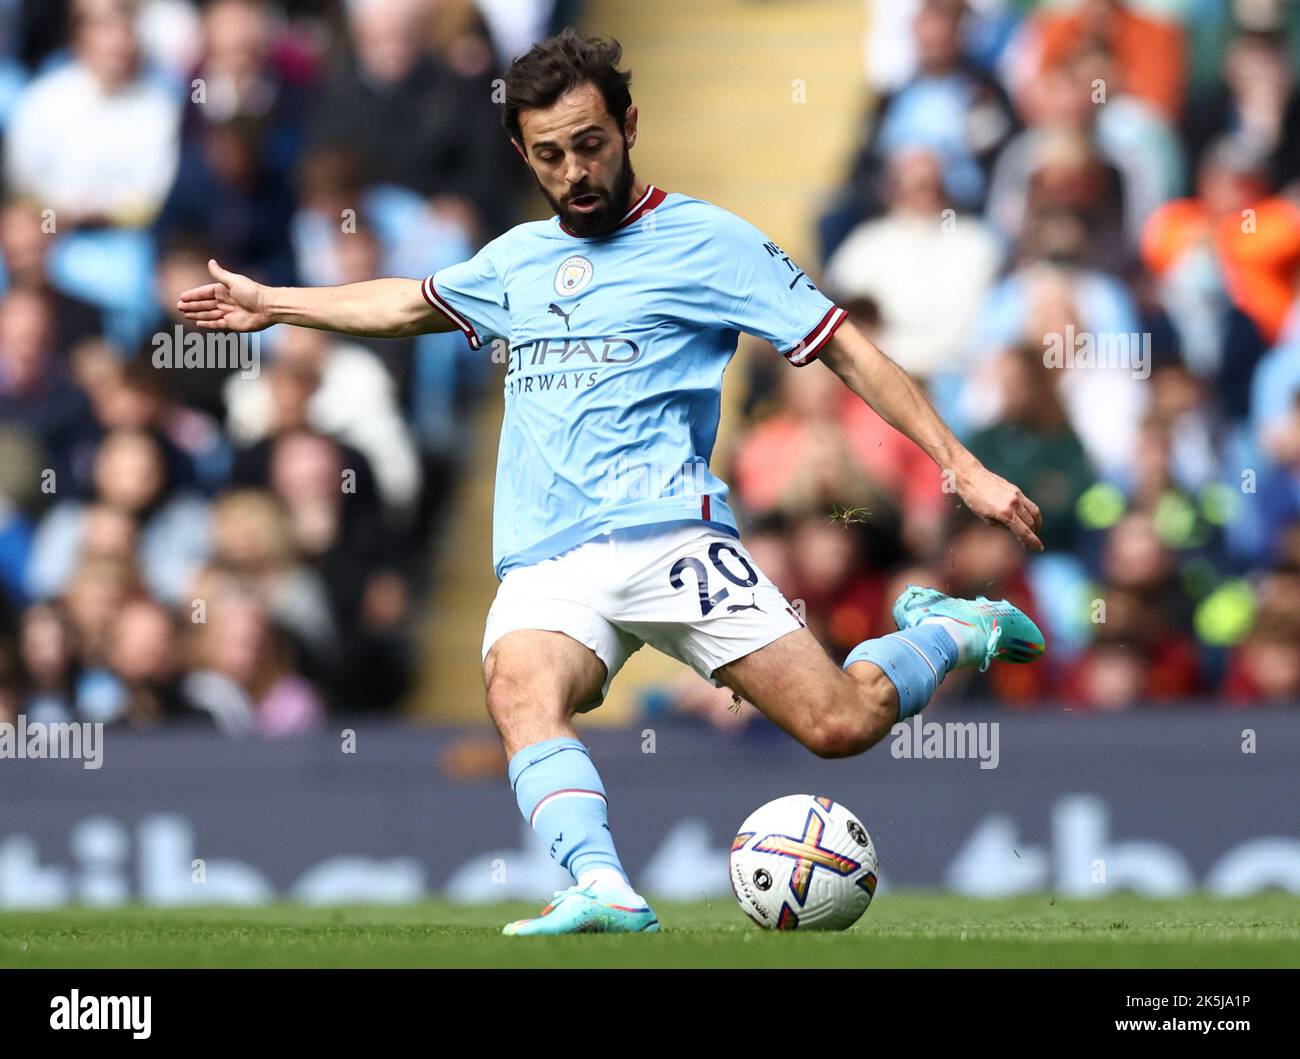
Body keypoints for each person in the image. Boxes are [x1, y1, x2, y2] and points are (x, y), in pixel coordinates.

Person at [177, 31, 1047, 936]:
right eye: (549, 154)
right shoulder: (514, 260)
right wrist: (274, 303)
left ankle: (949, 626)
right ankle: (601, 881)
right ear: (522, 153)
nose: (575, 171)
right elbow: (406, 302)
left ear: (629, 124)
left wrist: (961, 464)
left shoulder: (709, 241)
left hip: (671, 536)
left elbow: (847, 349)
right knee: (519, 686)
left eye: (590, 143)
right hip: (548, 556)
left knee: (839, 724)